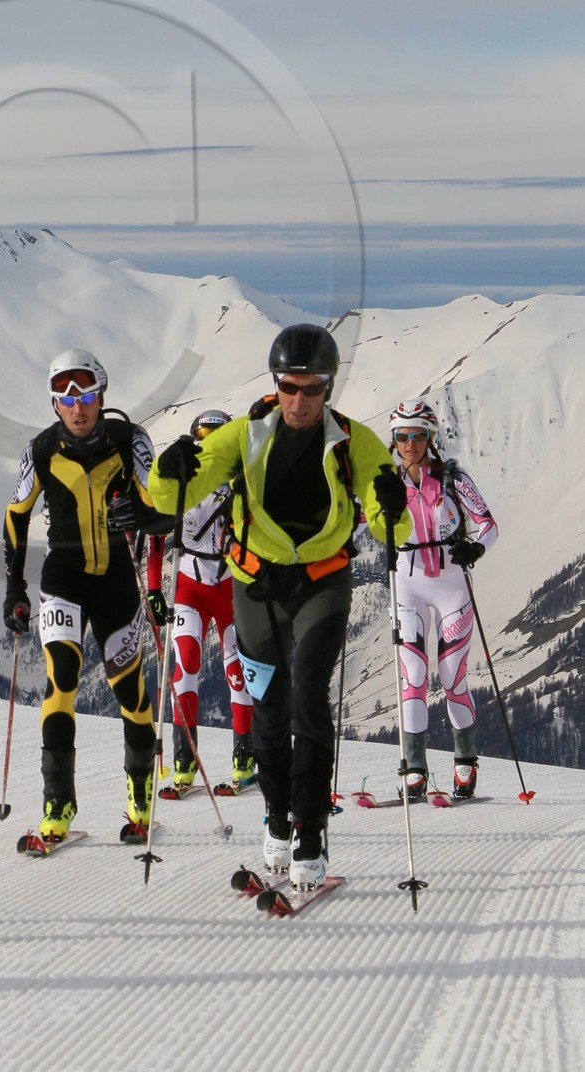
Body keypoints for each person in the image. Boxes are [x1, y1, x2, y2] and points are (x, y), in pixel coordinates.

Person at [148, 324, 413, 892]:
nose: (299, 400)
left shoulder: (354, 442)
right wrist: (170, 470)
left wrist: (391, 503)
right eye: (289, 387)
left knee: (308, 694)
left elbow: (388, 511)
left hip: (323, 583)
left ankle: (310, 833)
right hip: (256, 584)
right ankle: (275, 817)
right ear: (276, 383)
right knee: (268, 705)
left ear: (329, 387)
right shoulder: (242, 437)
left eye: (312, 388)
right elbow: (172, 495)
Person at [3, 348, 160, 842]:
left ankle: (140, 794)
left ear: (101, 395)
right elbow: (16, 515)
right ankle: (58, 802)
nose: (78, 407)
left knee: (129, 691)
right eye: (66, 398)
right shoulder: (41, 449)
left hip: (116, 581)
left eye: (87, 394)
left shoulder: (131, 440)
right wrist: (14, 586)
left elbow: (163, 508)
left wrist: (142, 514)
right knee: (61, 680)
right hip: (63, 577)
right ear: (54, 405)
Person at [388, 399, 498, 802]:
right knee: (414, 678)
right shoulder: (386, 480)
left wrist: (477, 549)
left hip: (452, 585)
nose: (410, 443)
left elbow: (488, 524)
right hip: (407, 584)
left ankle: (465, 763)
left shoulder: (453, 478)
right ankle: (414, 770)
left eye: (418, 435)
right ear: (394, 440)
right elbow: (352, 518)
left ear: (430, 437)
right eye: (402, 436)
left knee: (452, 677)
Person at [145, 409, 255, 793]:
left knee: (237, 673)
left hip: (229, 586)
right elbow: (156, 538)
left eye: (217, 436)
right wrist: (155, 589)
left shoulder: (240, 480)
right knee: (185, 666)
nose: (209, 443)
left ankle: (244, 757)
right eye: (203, 436)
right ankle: (184, 760)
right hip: (189, 585)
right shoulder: (183, 481)